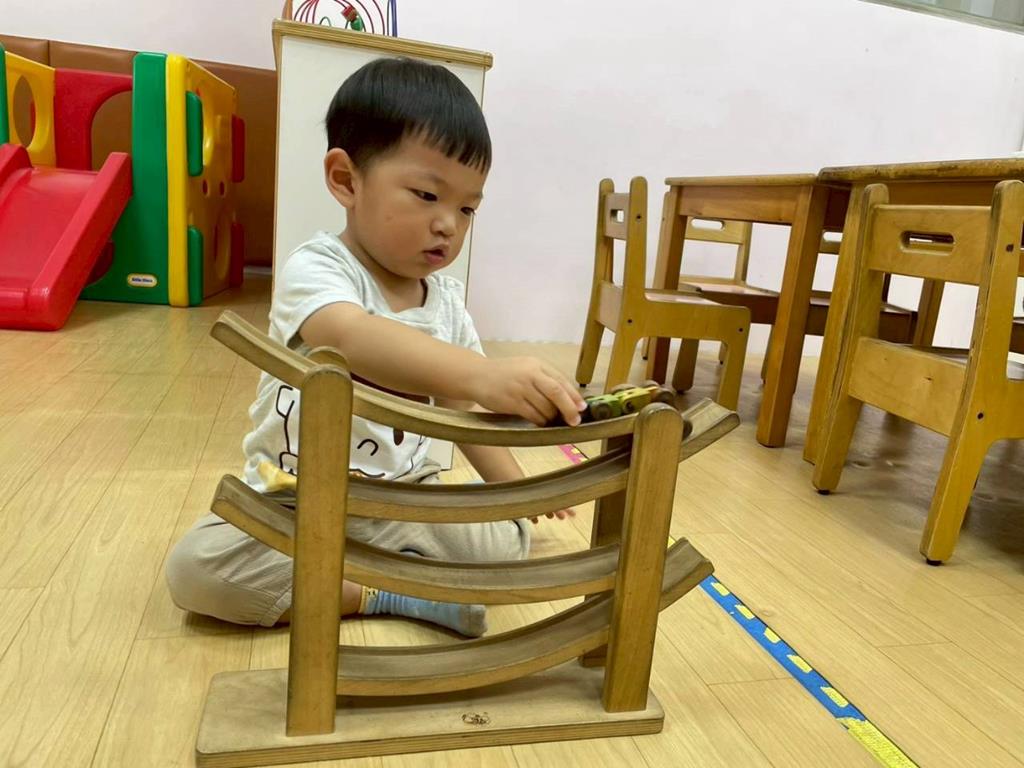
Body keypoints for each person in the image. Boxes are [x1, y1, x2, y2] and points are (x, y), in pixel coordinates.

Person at [166, 56, 586, 637]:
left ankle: (374, 568)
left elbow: (461, 414)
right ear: (346, 179)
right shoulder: (318, 268)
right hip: (293, 500)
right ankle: (390, 592)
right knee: (198, 571)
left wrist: (515, 487)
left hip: (405, 504)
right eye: (427, 194)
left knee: (506, 541)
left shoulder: (447, 304)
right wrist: (481, 374)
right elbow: (346, 334)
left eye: (467, 208)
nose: (449, 225)